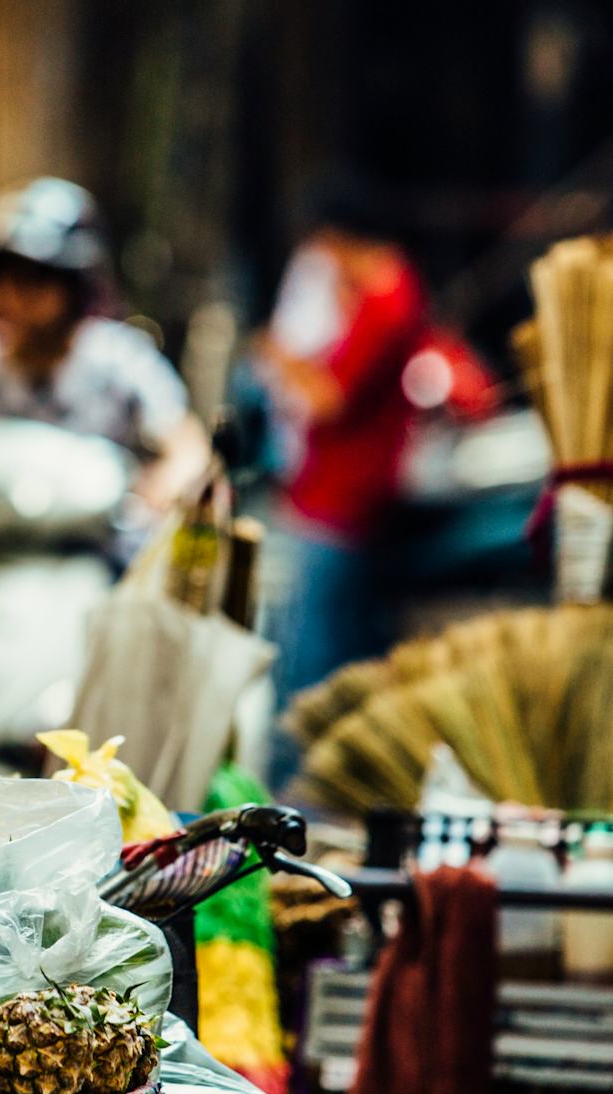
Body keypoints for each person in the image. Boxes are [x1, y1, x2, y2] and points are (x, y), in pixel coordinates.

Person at [253, 179, 495, 731]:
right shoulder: (373, 296)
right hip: (328, 501)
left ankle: (305, 794)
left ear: (338, 239)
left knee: (314, 667)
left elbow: (329, 399)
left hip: (342, 508)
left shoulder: (387, 299)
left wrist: (278, 356)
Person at [0, 176, 211, 510]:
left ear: (75, 284)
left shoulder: (120, 362)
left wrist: (165, 486)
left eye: (37, 277)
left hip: (95, 551)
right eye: (6, 276)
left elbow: (186, 445)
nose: (18, 294)